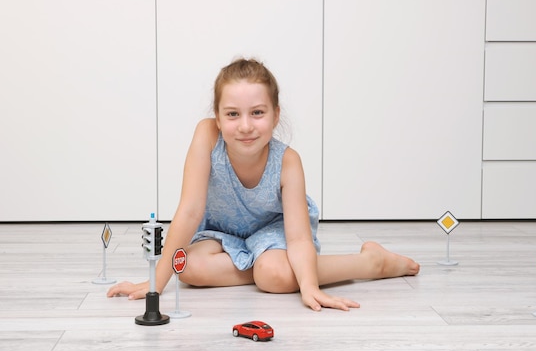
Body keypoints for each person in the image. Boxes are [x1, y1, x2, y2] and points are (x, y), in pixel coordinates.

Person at [107, 58, 420, 311]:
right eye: (232, 114)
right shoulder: (206, 135)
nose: (245, 126)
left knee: (274, 275)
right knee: (183, 266)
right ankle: (266, 269)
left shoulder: (288, 161)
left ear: (275, 115)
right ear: (216, 116)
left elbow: (297, 239)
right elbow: (190, 210)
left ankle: (371, 262)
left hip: (276, 232)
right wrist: (155, 284)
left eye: (257, 113)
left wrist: (308, 286)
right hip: (223, 231)